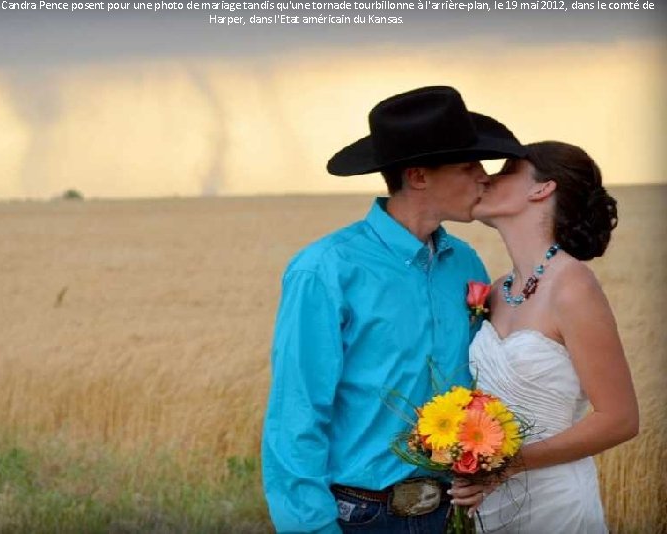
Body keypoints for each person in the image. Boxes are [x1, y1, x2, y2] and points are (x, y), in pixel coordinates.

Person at [261, 85, 527, 533]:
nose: (485, 176)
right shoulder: (326, 269)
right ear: (418, 176)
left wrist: (478, 473)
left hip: (454, 514)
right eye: (468, 165)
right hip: (361, 517)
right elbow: (297, 414)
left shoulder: (465, 262)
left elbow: (473, 382)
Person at [449, 141, 639, 533]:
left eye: (505, 170)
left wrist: (508, 465)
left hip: (556, 506)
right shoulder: (497, 290)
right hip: (489, 506)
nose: (486, 177)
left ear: (541, 189)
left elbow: (620, 419)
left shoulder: (573, 286)